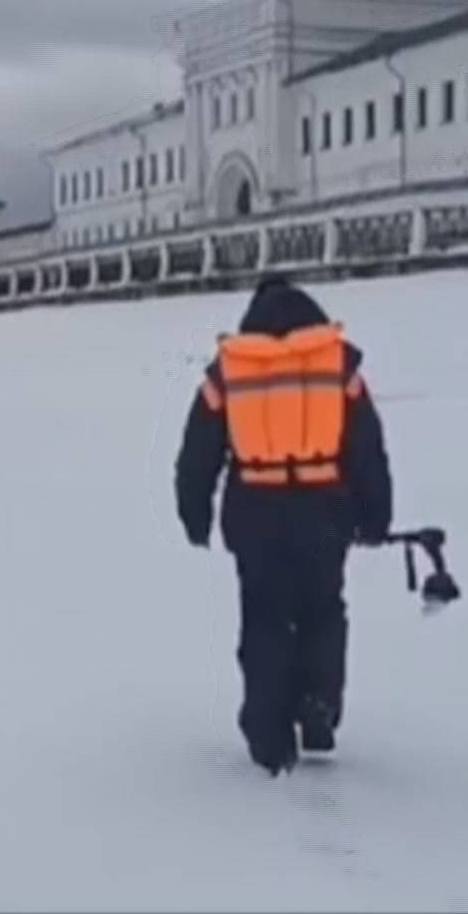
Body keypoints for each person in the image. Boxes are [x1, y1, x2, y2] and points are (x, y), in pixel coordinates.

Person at [173, 275, 393, 777]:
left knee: (265, 616)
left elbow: (198, 452)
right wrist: (375, 515)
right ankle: (319, 703)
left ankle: (268, 731)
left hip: (256, 512)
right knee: (322, 610)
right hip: (324, 510)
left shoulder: (230, 370)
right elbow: (366, 448)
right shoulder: (337, 366)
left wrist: (195, 512)